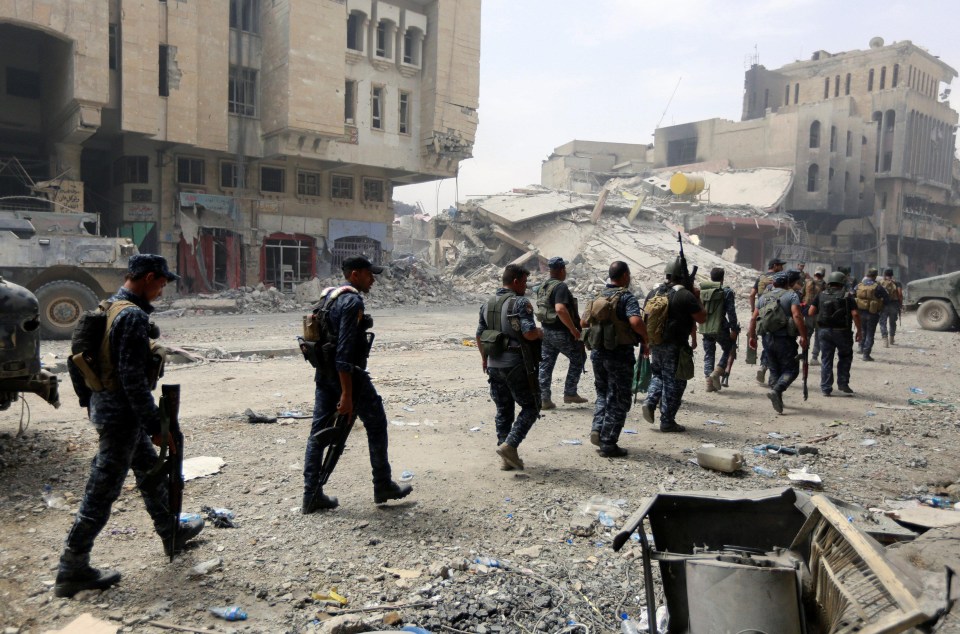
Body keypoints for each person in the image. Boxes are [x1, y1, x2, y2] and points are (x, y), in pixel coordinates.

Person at [55, 254, 203, 598]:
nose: (162, 290)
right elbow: (132, 378)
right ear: (149, 277)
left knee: (149, 468)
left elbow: (79, 362)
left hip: (109, 407)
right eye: (162, 283)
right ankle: (72, 566)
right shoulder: (132, 316)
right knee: (102, 488)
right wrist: (155, 424)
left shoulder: (109, 306)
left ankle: (170, 529)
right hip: (123, 413)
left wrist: (92, 402)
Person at [303, 256, 412, 513]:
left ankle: (310, 495)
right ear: (354, 274)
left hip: (324, 376)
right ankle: (382, 484)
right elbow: (344, 354)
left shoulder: (328, 297)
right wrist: (348, 395)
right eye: (368, 274)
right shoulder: (352, 301)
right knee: (376, 423)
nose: (372, 279)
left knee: (318, 434)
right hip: (348, 376)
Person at [476, 264, 543, 470]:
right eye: (524, 282)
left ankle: (506, 456)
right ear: (515, 282)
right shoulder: (520, 302)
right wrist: (541, 332)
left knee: (504, 410)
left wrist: (485, 359)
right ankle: (510, 445)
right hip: (516, 364)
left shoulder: (487, 304)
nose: (525, 287)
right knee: (532, 407)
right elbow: (529, 333)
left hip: (494, 364)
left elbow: (479, 335)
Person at [581, 261, 649, 456]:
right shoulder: (626, 297)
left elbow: (583, 322)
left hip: (597, 354)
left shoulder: (598, 296)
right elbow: (635, 321)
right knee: (618, 398)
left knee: (603, 393)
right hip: (619, 355)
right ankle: (608, 443)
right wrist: (646, 338)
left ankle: (598, 428)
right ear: (625, 276)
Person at [641, 259, 706, 433]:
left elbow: (645, 317)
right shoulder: (685, 295)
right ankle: (667, 421)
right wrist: (697, 297)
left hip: (656, 343)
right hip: (675, 346)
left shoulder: (654, 292)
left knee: (658, 375)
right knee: (675, 383)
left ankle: (650, 400)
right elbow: (702, 318)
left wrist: (646, 342)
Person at [748, 270, 807, 414]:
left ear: (773, 283)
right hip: (785, 340)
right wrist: (803, 336)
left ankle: (777, 396)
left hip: (767, 339)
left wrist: (752, 337)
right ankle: (777, 390)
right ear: (787, 283)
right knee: (791, 370)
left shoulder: (763, 297)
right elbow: (797, 316)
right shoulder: (792, 295)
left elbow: (753, 318)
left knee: (774, 369)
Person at [536, 257, 587, 409]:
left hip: (546, 331)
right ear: (561, 270)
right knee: (579, 357)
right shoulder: (560, 287)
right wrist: (573, 330)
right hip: (560, 332)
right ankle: (570, 393)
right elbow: (560, 309)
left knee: (546, 363)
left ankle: (544, 399)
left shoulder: (543, 286)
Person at [809, 271, 862, 396]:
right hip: (842, 332)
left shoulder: (821, 295)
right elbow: (855, 314)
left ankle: (826, 388)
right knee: (845, 356)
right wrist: (860, 330)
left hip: (824, 331)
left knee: (826, 358)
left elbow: (811, 312)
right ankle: (843, 383)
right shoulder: (848, 296)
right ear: (842, 282)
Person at [699, 267, 739, 392]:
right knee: (729, 348)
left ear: (711, 277)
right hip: (720, 326)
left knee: (709, 353)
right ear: (723, 278)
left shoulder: (703, 290)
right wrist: (734, 328)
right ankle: (717, 371)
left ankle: (709, 383)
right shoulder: (726, 292)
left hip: (705, 326)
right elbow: (731, 312)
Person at [749, 257, 786, 384]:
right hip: (776, 315)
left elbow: (752, 294)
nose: (782, 267)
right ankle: (766, 368)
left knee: (767, 340)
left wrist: (753, 309)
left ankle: (764, 366)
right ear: (775, 266)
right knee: (773, 343)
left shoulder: (761, 278)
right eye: (780, 265)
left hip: (761, 313)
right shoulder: (780, 279)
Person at [853, 268, 888, 361]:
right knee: (870, 334)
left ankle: (860, 347)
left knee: (861, 330)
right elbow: (886, 298)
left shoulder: (859, 286)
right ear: (875, 276)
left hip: (860, 313)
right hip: (872, 313)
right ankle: (866, 354)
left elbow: (852, 296)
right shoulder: (877, 286)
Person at [803, 267, 827, 361]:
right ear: (823, 275)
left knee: (807, 334)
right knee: (818, 335)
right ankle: (814, 357)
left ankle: (804, 355)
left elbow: (802, 294)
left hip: (808, 312)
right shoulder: (824, 285)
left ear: (814, 274)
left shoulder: (807, 282)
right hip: (819, 313)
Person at [878, 268, 903, 347]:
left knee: (883, 322)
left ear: (884, 274)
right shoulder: (897, 283)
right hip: (894, 304)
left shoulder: (880, 282)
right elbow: (899, 294)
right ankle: (892, 339)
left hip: (883, 305)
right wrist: (900, 304)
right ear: (892, 275)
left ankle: (885, 341)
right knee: (892, 322)